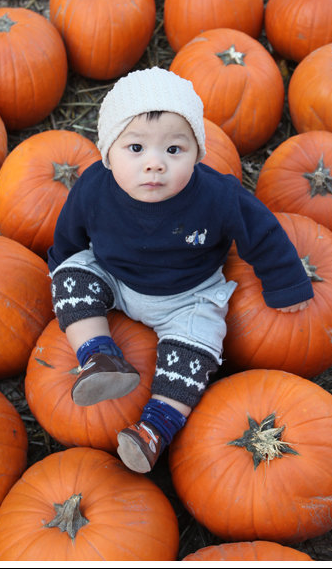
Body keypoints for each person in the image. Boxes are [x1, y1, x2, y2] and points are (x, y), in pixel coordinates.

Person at [47, 66, 313, 473]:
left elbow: (261, 231)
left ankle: (155, 428)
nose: (154, 164)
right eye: (136, 148)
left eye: (174, 149)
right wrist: (63, 267)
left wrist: (287, 282)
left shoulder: (217, 195)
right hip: (115, 277)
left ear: (197, 153)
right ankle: (98, 356)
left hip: (187, 296)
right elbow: (69, 233)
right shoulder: (93, 187)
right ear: (108, 152)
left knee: (199, 345)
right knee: (70, 275)